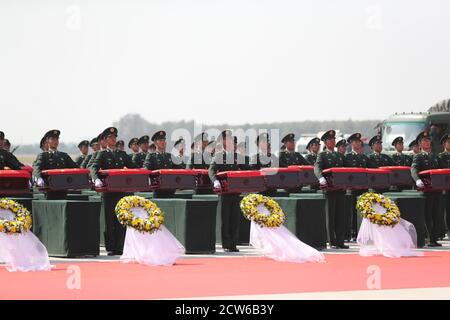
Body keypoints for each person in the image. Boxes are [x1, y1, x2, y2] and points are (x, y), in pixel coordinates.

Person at [90, 127, 136, 256]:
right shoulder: (102, 154)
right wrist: (96, 179)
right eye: (110, 137)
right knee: (109, 222)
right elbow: (93, 168)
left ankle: (120, 247)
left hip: (121, 191)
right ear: (105, 140)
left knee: (121, 221)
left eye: (115, 137)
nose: (113, 139)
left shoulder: (122, 154)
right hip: (108, 192)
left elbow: (133, 167)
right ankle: (110, 247)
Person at [209, 130, 245, 253]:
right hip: (224, 191)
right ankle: (226, 243)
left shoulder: (237, 157)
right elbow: (212, 170)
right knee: (225, 218)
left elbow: (247, 169)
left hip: (235, 191)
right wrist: (215, 181)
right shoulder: (219, 156)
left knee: (235, 218)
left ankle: (233, 244)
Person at [314, 130, 348, 249]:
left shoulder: (339, 155)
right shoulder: (322, 155)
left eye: (333, 139)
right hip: (329, 188)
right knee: (330, 216)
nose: (332, 141)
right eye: (330, 140)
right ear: (325, 142)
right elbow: (317, 168)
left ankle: (340, 241)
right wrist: (320, 178)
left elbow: (346, 169)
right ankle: (332, 241)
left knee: (340, 216)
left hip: (340, 189)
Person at [411, 131, 443, 247]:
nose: (427, 142)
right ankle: (429, 238)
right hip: (426, 189)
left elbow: (443, 169)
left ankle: (434, 238)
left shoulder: (436, 156)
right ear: (420, 144)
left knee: (437, 214)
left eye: (428, 140)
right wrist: (417, 180)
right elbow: (413, 170)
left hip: (437, 189)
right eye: (424, 141)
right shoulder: (418, 156)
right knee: (428, 214)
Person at [33, 130, 78, 200]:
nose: (56, 141)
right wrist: (39, 178)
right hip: (49, 190)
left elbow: (75, 168)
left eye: (57, 139)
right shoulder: (43, 156)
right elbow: (36, 167)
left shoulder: (64, 156)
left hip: (63, 189)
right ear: (47, 141)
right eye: (53, 139)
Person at [343, 133, 371, 241]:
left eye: (359, 142)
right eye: (355, 142)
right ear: (351, 144)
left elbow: (373, 168)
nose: (358, 143)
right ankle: (353, 233)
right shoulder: (347, 157)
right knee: (353, 213)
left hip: (363, 188)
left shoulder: (364, 157)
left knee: (364, 211)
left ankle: (362, 232)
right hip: (353, 189)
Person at [143, 131, 178, 198]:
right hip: (158, 190)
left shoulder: (170, 156)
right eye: (160, 140)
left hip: (170, 189)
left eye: (164, 140)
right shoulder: (151, 156)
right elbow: (146, 170)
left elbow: (178, 169)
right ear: (155, 143)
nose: (163, 142)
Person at [438, 133, 450, 238]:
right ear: (444, 144)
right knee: (447, 210)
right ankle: (448, 230)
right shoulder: (441, 156)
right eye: (448, 142)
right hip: (446, 187)